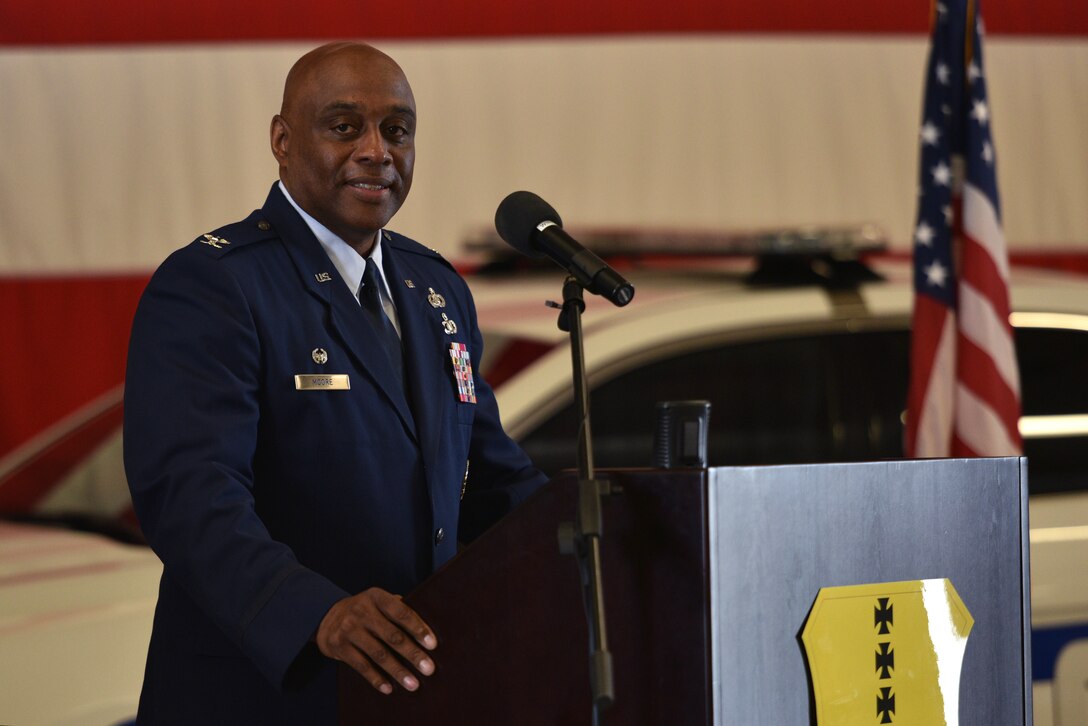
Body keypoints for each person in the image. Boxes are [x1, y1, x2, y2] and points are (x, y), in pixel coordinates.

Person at [123, 42, 547, 724]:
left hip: (408, 690)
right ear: (282, 141)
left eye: (397, 130)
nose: (377, 151)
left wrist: (617, 537)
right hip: (263, 694)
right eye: (345, 126)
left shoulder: (435, 288)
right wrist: (317, 611)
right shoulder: (216, 284)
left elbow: (494, 482)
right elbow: (190, 495)